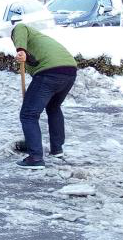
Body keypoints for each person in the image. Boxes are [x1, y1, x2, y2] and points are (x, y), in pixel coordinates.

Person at [12, 23, 78, 169]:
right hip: (70, 71)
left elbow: (20, 27)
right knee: (53, 108)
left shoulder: (23, 30)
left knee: (28, 114)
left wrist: (20, 49)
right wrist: (25, 56)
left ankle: (35, 158)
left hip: (50, 73)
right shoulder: (42, 43)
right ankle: (57, 150)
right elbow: (35, 63)